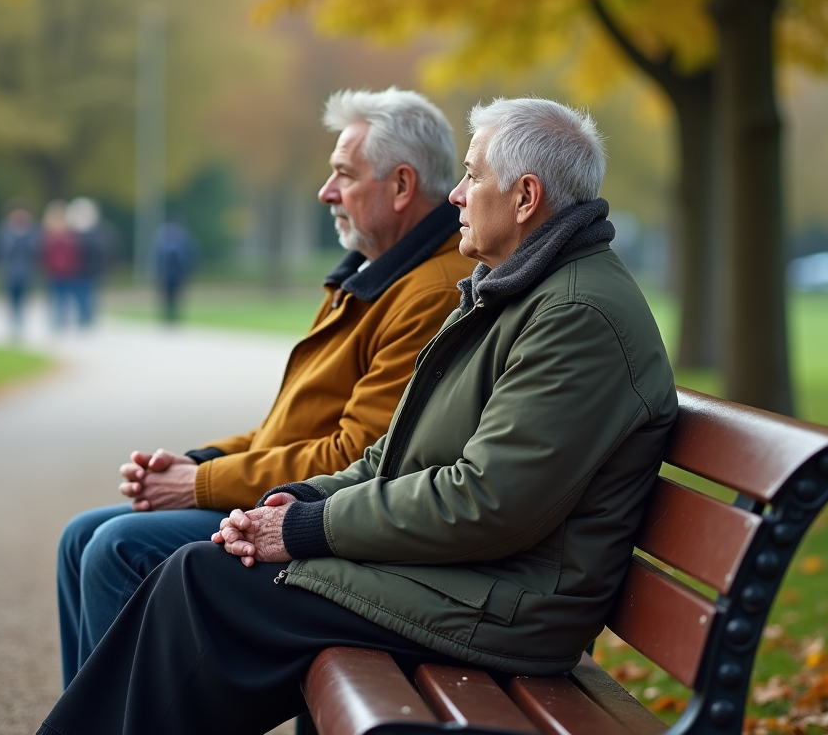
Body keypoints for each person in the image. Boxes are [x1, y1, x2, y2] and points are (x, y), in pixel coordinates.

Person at [38, 97, 678, 735]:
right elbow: (390, 455)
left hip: (505, 606)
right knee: (204, 574)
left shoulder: (573, 316)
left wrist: (304, 530)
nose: (455, 193)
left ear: (526, 197)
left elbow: (487, 502)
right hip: (463, 578)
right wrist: (296, 501)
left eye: (473, 174)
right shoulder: (512, 290)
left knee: (202, 580)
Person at [54, 88, 472, 688]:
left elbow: (356, 456)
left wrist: (197, 487)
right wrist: (198, 462)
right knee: (80, 538)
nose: (327, 193)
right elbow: (287, 427)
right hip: (283, 496)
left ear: (402, 186)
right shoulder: (374, 273)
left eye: (343, 175)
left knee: (117, 547)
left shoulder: (425, 293)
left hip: (321, 521)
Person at [0, 202, 40, 340]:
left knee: (23, 299)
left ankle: (20, 324)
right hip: (8, 271)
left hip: (26, 271)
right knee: (10, 299)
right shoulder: (3, 231)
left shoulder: (32, 232)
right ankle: (12, 325)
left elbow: (37, 250)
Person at [66, 197, 112, 328]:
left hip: (92, 270)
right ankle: (82, 317)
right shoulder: (71, 232)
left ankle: (87, 317)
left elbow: (104, 249)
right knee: (79, 295)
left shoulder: (98, 230)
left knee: (90, 295)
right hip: (75, 270)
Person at [40, 201, 80, 331]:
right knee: (53, 296)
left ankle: (63, 321)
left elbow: (75, 251)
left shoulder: (70, 233)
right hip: (51, 270)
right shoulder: (46, 233)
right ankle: (55, 321)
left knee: (65, 297)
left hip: (67, 269)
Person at [151, 214, 198, 323]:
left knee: (178, 296)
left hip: (179, 274)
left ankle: (175, 317)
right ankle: (167, 317)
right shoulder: (162, 240)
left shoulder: (184, 239)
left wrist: (189, 271)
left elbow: (191, 256)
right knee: (166, 296)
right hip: (166, 274)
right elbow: (157, 258)